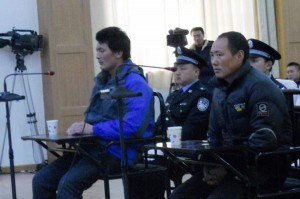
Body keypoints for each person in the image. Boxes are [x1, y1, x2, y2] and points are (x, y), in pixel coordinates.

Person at [32, 26, 155, 199]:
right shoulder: (103, 81)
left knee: (68, 185)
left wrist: (93, 130)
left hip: (117, 151)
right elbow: (94, 120)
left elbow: (133, 127)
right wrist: (80, 129)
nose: (97, 56)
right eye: (97, 50)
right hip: (93, 148)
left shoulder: (135, 83)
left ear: (119, 52)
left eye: (101, 50)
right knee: (41, 179)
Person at [170, 31, 292, 199]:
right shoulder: (219, 88)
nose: (214, 61)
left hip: (264, 167)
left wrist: (226, 169)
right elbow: (214, 136)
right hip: (232, 164)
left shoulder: (260, 87)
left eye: (220, 55)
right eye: (212, 55)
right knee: (180, 195)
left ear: (239, 56)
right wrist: (210, 165)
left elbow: (264, 140)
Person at [164, 46, 212, 186]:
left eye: (183, 68)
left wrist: (164, 141)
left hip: (187, 150)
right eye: (176, 68)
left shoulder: (202, 95)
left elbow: (193, 130)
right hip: (169, 148)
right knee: (141, 168)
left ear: (196, 71)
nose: (177, 72)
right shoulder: (173, 96)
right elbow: (161, 123)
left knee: (154, 169)